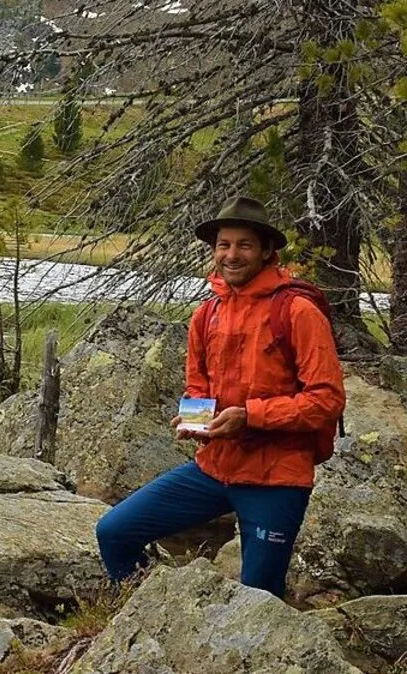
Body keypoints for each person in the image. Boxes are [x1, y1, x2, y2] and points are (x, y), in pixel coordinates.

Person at [94, 196, 346, 598]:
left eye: (244, 245)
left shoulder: (297, 311)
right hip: (213, 470)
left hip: (276, 478)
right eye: (223, 245)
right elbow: (198, 386)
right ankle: (148, 615)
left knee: (258, 597)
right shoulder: (206, 314)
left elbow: (326, 400)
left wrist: (250, 416)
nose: (231, 255)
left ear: (267, 251)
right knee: (114, 532)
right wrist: (195, 421)